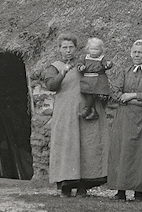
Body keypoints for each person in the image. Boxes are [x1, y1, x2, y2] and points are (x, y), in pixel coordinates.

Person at [41, 34, 108, 197]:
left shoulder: (83, 64)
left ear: (76, 49)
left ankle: (83, 186)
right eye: (64, 47)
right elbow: (51, 85)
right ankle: (65, 186)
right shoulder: (54, 67)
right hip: (65, 112)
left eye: (71, 47)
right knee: (67, 146)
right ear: (59, 49)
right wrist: (63, 72)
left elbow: (97, 78)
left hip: (84, 109)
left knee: (87, 146)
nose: (68, 50)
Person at [107, 39, 142, 202]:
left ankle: (139, 191)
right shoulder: (125, 72)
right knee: (123, 150)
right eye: (135, 52)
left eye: (141, 52)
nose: (137, 55)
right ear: (131, 54)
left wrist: (132, 95)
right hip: (125, 117)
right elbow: (115, 91)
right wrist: (134, 101)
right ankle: (121, 190)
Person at [76, 37, 113, 121]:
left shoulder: (102, 58)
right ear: (88, 49)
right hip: (87, 79)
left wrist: (108, 65)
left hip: (98, 80)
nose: (93, 51)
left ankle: (87, 109)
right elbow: (79, 64)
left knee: (94, 94)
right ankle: (93, 111)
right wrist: (81, 67)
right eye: (91, 49)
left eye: (96, 49)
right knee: (87, 92)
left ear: (101, 50)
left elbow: (106, 66)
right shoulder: (85, 57)